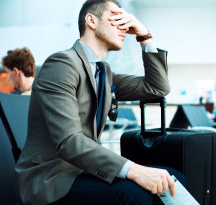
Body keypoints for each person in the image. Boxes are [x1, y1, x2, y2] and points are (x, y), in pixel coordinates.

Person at [15, 0, 186, 204]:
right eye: (116, 18)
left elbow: (156, 88)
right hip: (53, 178)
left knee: (173, 178)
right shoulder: (61, 64)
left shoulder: (104, 73)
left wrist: (144, 36)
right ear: (91, 21)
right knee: (134, 193)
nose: (124, 26)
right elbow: (69, 141)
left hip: (84, 170)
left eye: (125, 20)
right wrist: (134, 170)